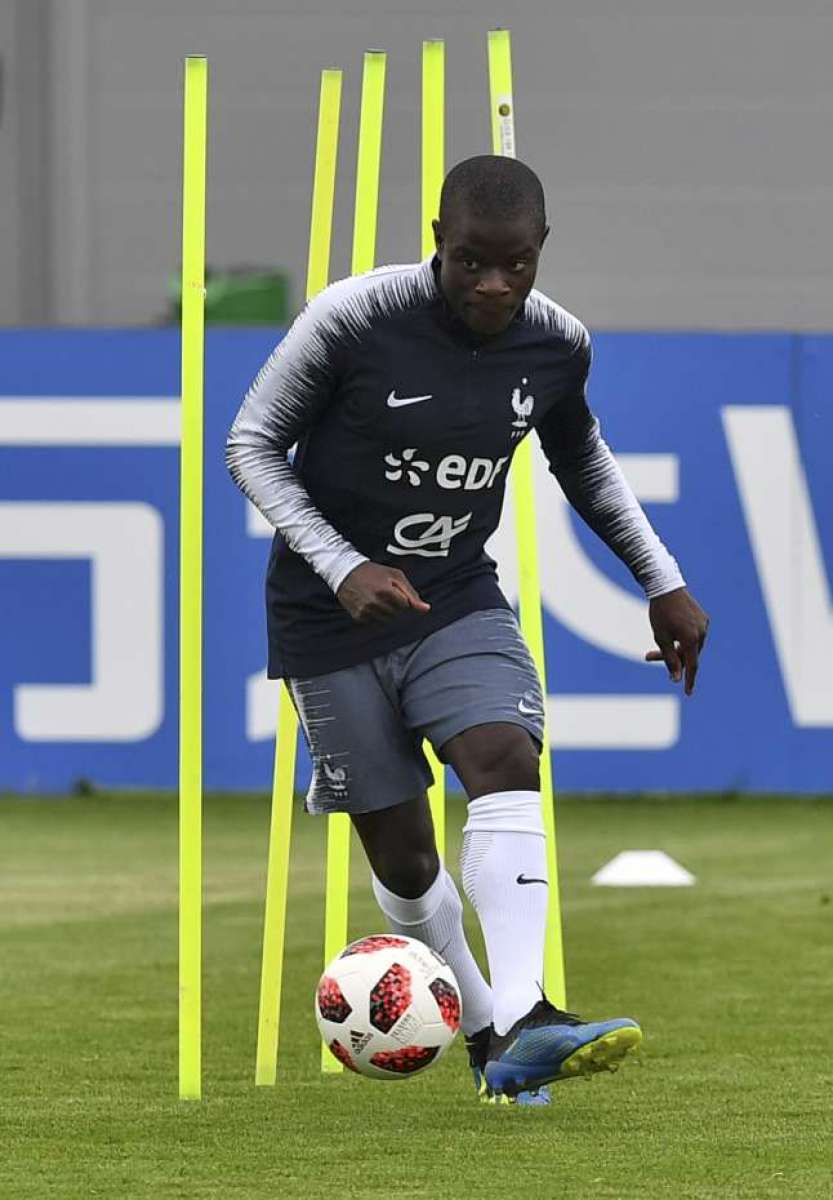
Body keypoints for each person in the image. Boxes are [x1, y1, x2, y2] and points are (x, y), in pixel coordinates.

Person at [226, 154, 709, 1106]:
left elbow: (586, 466)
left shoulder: (557, 345)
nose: (494, 286)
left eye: (516, 265)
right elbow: (250, 443)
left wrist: (663, 581)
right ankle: (492, 1037)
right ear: (436, 244)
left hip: (455, 595)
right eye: (471, 264)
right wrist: (342, 564)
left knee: (501, 753)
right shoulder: (352, 318)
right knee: (405, 864)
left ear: (539, 253)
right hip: (328, 616)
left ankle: (527, 1014)